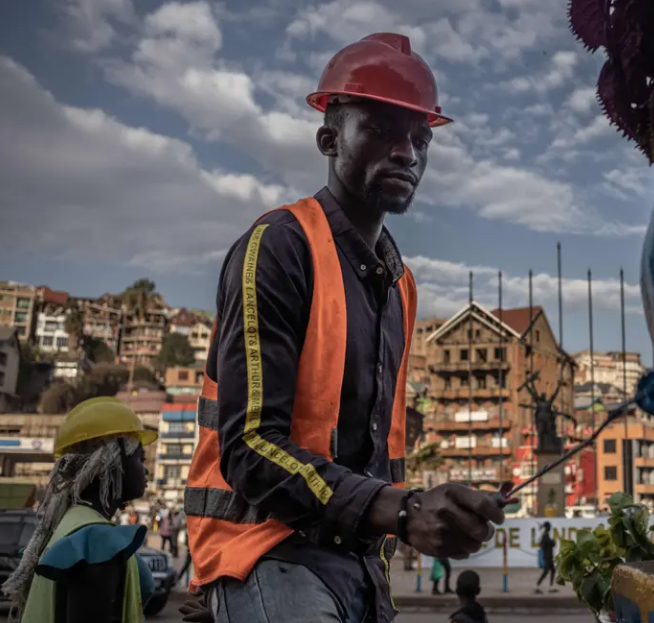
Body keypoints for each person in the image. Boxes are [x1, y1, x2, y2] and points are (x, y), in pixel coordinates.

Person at [182, 32, 504, 623]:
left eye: (419, 138)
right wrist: (403, 512)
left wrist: (419, 513)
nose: (406, 152)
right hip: (265, 551)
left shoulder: (398, 284)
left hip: (358, 564)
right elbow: (249, 447)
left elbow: (377, 453)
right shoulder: (279, 247)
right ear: (329, 140)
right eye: (380, 130)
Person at [0, 396, 159, 623]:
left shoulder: (67, 524)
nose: (145, 471)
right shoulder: (97, 542)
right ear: (111, 464)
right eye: (139, 458)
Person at [535, 521, 557, 594]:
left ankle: (551, 587)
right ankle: (537, 586)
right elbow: (552, 543)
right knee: (546, 571)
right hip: (548, 557)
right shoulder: (545, 536)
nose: (550, 528)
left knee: (553, 570)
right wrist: (552, 542)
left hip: (549, 556)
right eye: (549, 527)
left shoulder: (545, 535)